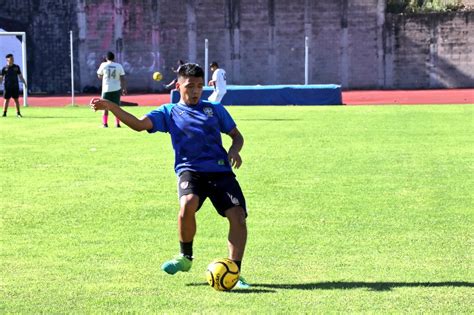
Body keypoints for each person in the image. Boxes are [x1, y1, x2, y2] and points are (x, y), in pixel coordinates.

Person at [90, 63, 250, 288]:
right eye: (189, 86)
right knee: (187, 204)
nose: (195, 91)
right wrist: (111, 105)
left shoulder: (214, 109)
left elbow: (237, 136)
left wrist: (235, 149)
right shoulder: (168, 112)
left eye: (199, 86)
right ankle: (185, 258)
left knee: (238, 218)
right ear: (178, 86)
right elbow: (138, 124)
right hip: (190, 171)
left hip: (220, 171)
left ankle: (234, 271)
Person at [96, 51, 127, 127]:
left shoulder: (103, 65)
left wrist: (104, 77)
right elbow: (122, 78)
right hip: (116, 89)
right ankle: (117, 124)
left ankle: (105, 124)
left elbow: (99, 75)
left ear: (106, 58)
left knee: (104, 107)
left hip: (106, 89)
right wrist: (123, 88)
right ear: (114, 58)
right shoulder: (119, 66)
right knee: (116, 107)